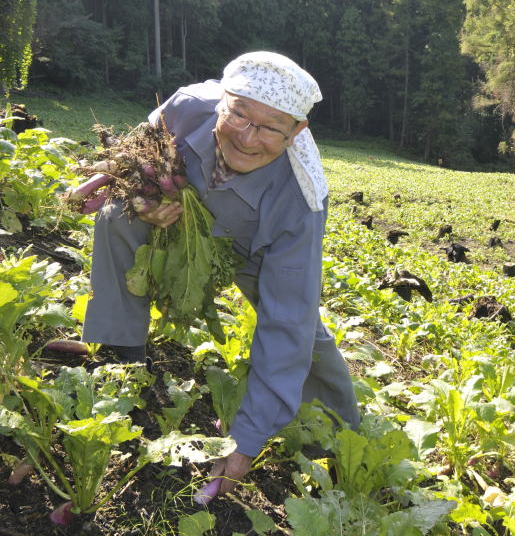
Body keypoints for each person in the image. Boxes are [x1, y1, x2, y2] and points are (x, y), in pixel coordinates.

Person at [81, 51, 360, 494]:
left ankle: (337, 424)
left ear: (297, 132)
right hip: (183, 211)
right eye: (239, 115)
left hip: (251, 243)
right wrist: (142, 200)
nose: (249, 138)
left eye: (271, 128)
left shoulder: (301, 204)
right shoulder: (188, 105)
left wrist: (246, 442)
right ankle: (121, 359)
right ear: (222, 101)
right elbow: (133, 156)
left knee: (301, 329)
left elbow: (287, 318)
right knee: (118, 216)